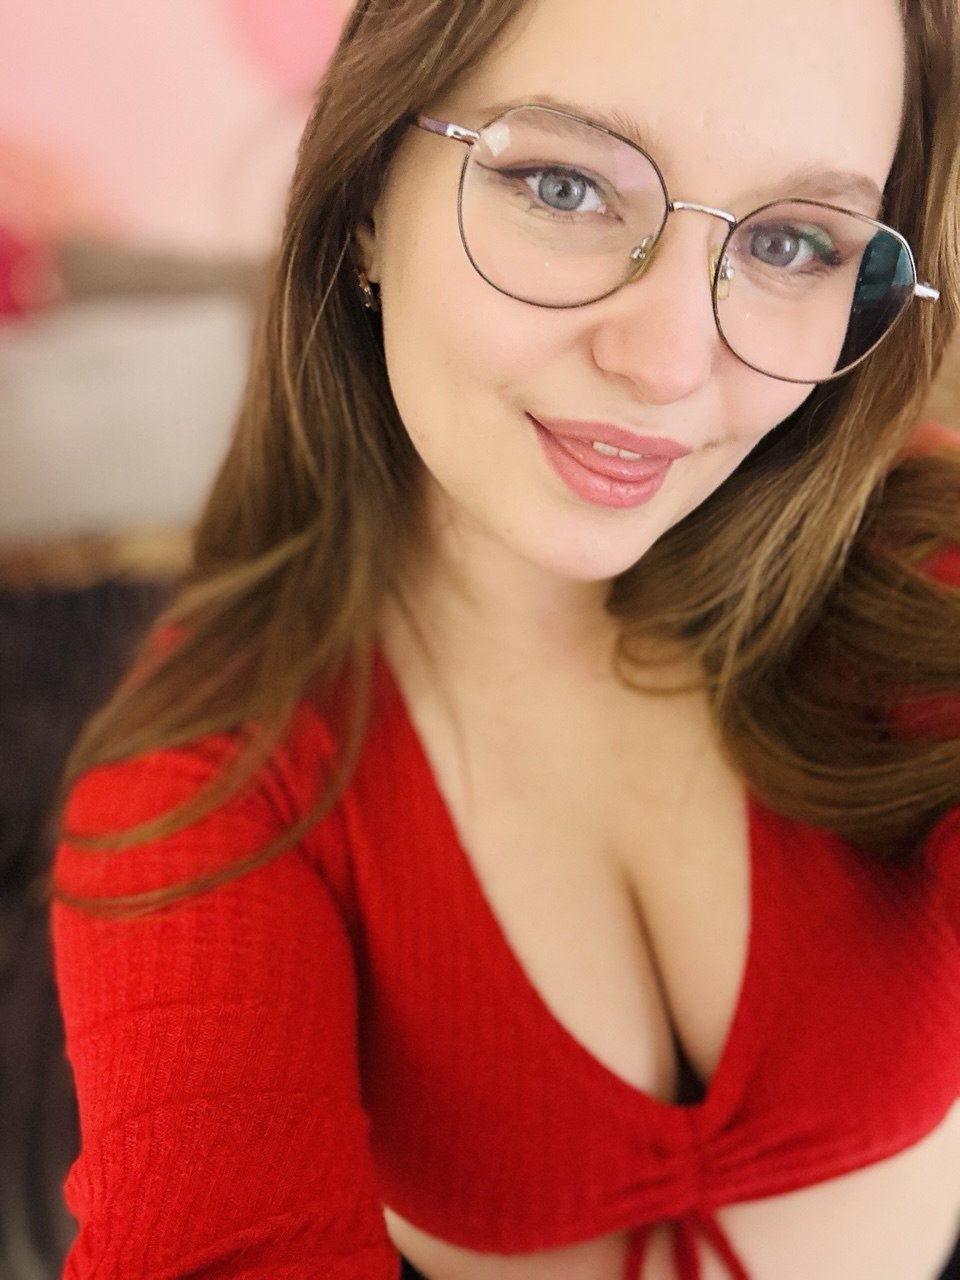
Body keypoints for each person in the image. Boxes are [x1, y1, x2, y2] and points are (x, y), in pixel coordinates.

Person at [47, 0, 960, 1276]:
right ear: (369, 199)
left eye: (793, 241)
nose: (669, 361)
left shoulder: (925, 574)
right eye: (564, 185)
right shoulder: (211, 778)